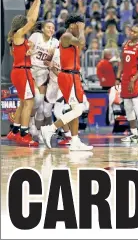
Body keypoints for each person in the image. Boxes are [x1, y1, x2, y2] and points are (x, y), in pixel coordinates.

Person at [40, 14, 93, 151]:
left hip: (72, 76)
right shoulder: (67, 36)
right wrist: (81, 29)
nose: (82, 28)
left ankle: (74, 140)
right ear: (73, 25)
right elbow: (82, 43)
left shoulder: (72, 39)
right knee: (79, 110)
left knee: (74, 109)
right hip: (69, 76)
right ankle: (50, 129)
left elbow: (80, 45)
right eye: (80, 25)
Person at [6, 0, 41, 146]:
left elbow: (29, 18)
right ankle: (24, 135)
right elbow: (32, 20)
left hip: (18, 71)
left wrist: (35, 0)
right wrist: (38, 1)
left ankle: (14, 131)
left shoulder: (17, 37)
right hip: (23, 72)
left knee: (22, 102)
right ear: (21, 25)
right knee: (29, 103)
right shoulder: (19, 35)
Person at [115, 24, 138, 143]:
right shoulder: (125, 45)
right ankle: (134, 133)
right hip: (125, 79)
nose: (132, 33)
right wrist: (118, 78)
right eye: (131, 31)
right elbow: (122, 63)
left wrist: (133, 79)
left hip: (136, 79)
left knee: (137, 105)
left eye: (135, 32)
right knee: (127, 107)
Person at [28, 20, 58, 135]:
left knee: (40, 104)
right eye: (48, 27)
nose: (51, 29)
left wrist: (51, 57)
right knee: (36, 101)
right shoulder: (36, 36)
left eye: (53, 28)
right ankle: (30, 122)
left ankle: (40, 132)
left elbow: (52, 59)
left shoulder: (54, 42)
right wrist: (29, 50)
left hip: (44, 73)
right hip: (31, 70)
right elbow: (27, 48)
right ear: (43, 29)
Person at [43, 27, 72, 145]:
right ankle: (51, 132)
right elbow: (46, 61)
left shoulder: (70, 52)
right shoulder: (54, 49)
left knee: (58, 112)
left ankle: (68, 136)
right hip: (52, 84)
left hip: (62, 84)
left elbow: (63, 74)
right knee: (46, 111)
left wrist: (52, 67)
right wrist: (48, 62)